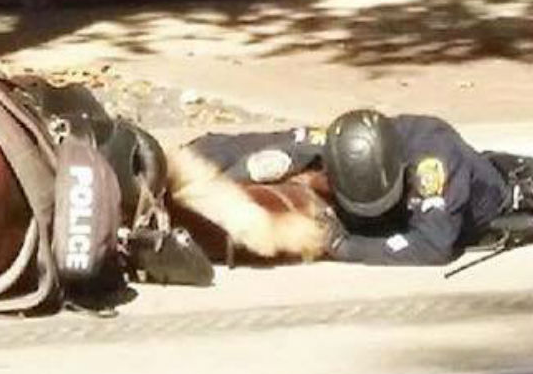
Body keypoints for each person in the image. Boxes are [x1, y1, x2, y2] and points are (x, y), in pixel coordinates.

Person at [188, 109, 533, 265]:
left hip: (493, 198)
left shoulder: (435, 166)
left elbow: (433, 246)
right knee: (273, 159)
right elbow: (254, 143)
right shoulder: (340, 139)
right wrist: (212, 171)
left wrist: (343, 246)